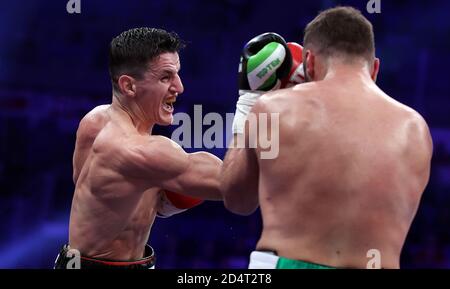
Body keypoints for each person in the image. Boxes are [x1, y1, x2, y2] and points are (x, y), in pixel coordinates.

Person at [221, 6, 433, 269]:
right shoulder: (415, 129)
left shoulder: (275, 108)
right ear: (375, 68)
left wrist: (249, 103)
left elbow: (236, 198)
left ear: (309, 62)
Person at [54, 28, 222, 269]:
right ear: (129, 86)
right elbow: (236, 187)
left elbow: (103, 198)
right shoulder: (135, 149)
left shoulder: (95, 123)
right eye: (166, 77)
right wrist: (254, 102)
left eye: (177, 74)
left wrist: (164, 201)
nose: (180, 87)